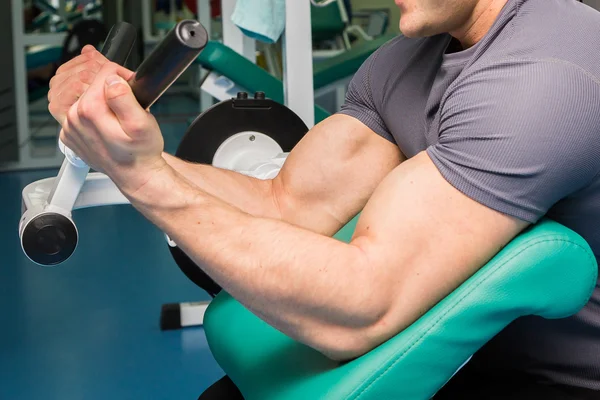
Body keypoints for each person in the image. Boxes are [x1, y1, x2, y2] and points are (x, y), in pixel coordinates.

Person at [47, 0, 600, 398]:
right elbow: (289, 204)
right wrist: (116, 141)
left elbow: (363, 306)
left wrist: (144, 178)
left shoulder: (548, 77)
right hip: (458, 351)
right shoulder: (404, 59)